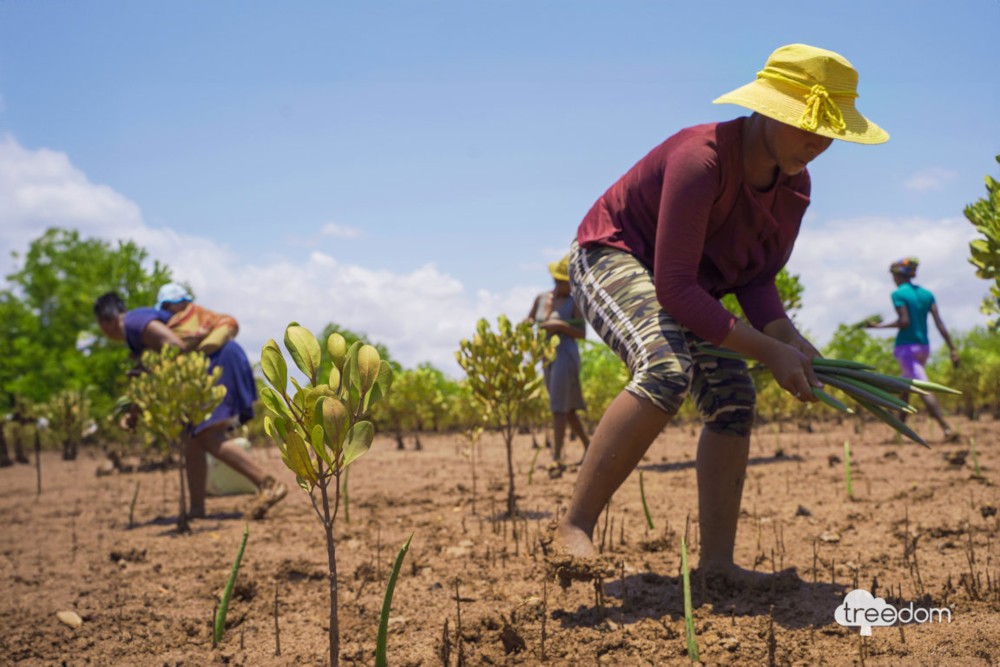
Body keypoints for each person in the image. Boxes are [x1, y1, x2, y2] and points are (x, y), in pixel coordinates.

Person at [555, 43, 888, 586]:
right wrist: (768, 349)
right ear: (765, 109)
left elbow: (756, 279)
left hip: (692, 285)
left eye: (829, 132)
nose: (817, 141)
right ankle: (574, 526)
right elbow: (676, 288)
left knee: (734, 401)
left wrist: (793, 343)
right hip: (613, 256)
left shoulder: (795, 184)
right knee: (665, 369)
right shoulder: (702, 158)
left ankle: (716, 567)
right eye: (806, 124)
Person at [94, 291, 286, 520]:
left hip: (218, 361)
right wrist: (135, 411)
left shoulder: (133, 323)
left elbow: (173, 345)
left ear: (105, 321)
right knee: (193, 440)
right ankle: (196, 510)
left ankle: (268, 483)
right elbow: (146, 372)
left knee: (207, 435)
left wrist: (155, 373)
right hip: (217, 360)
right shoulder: (136, 332)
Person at [866, 257, 960, 441]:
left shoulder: (898, 294)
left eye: (893, 275)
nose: (893, 279)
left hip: (906, 348)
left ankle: (946, 428)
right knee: (905, 389)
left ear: (898, 275)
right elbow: (939, 323)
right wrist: (952, 348)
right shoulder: (926, 294)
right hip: (924, 347)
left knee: (921, 387)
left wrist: (878, 327)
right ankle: (898, 433)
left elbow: (904, 321)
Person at [525, 254, 591, 463]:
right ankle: (589, 447)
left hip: (565, 354)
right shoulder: (541, 298)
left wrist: (560, 326)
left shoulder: (575, 303)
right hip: (546, 355)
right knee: (567, 408)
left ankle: (557, 456)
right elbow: (529, 319)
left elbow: (582, 333)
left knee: (559, 408)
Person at [155, 283, 240, 354]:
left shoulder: (194, 314)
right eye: (165, 307)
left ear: (181, 302)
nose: (166, 310)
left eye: (167, 306)